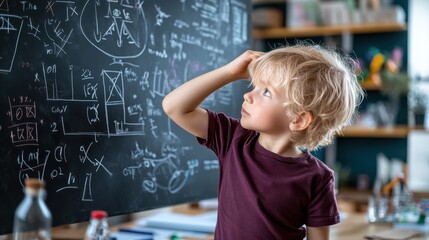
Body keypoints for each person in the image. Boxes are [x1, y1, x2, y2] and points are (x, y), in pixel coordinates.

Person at [162, 44, 364, 240]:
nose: (247, 95)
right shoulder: (233, 139)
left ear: (298, 119)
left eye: (266, 92)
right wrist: (229, 73)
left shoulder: (318, 179)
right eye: (254, 86)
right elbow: (174, 107)